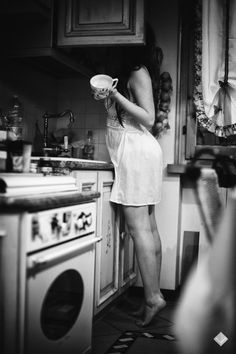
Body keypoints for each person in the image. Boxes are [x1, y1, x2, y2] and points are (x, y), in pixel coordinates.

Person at [92, 23, 166, 327]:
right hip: (136, 153)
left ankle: (153, 298)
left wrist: (114, 96)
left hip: (137, 153)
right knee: (147, 227)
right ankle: (154, 295)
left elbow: (148, 118)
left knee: (140, 230)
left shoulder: (137, 70)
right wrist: (109, 95)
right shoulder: (129, 71)